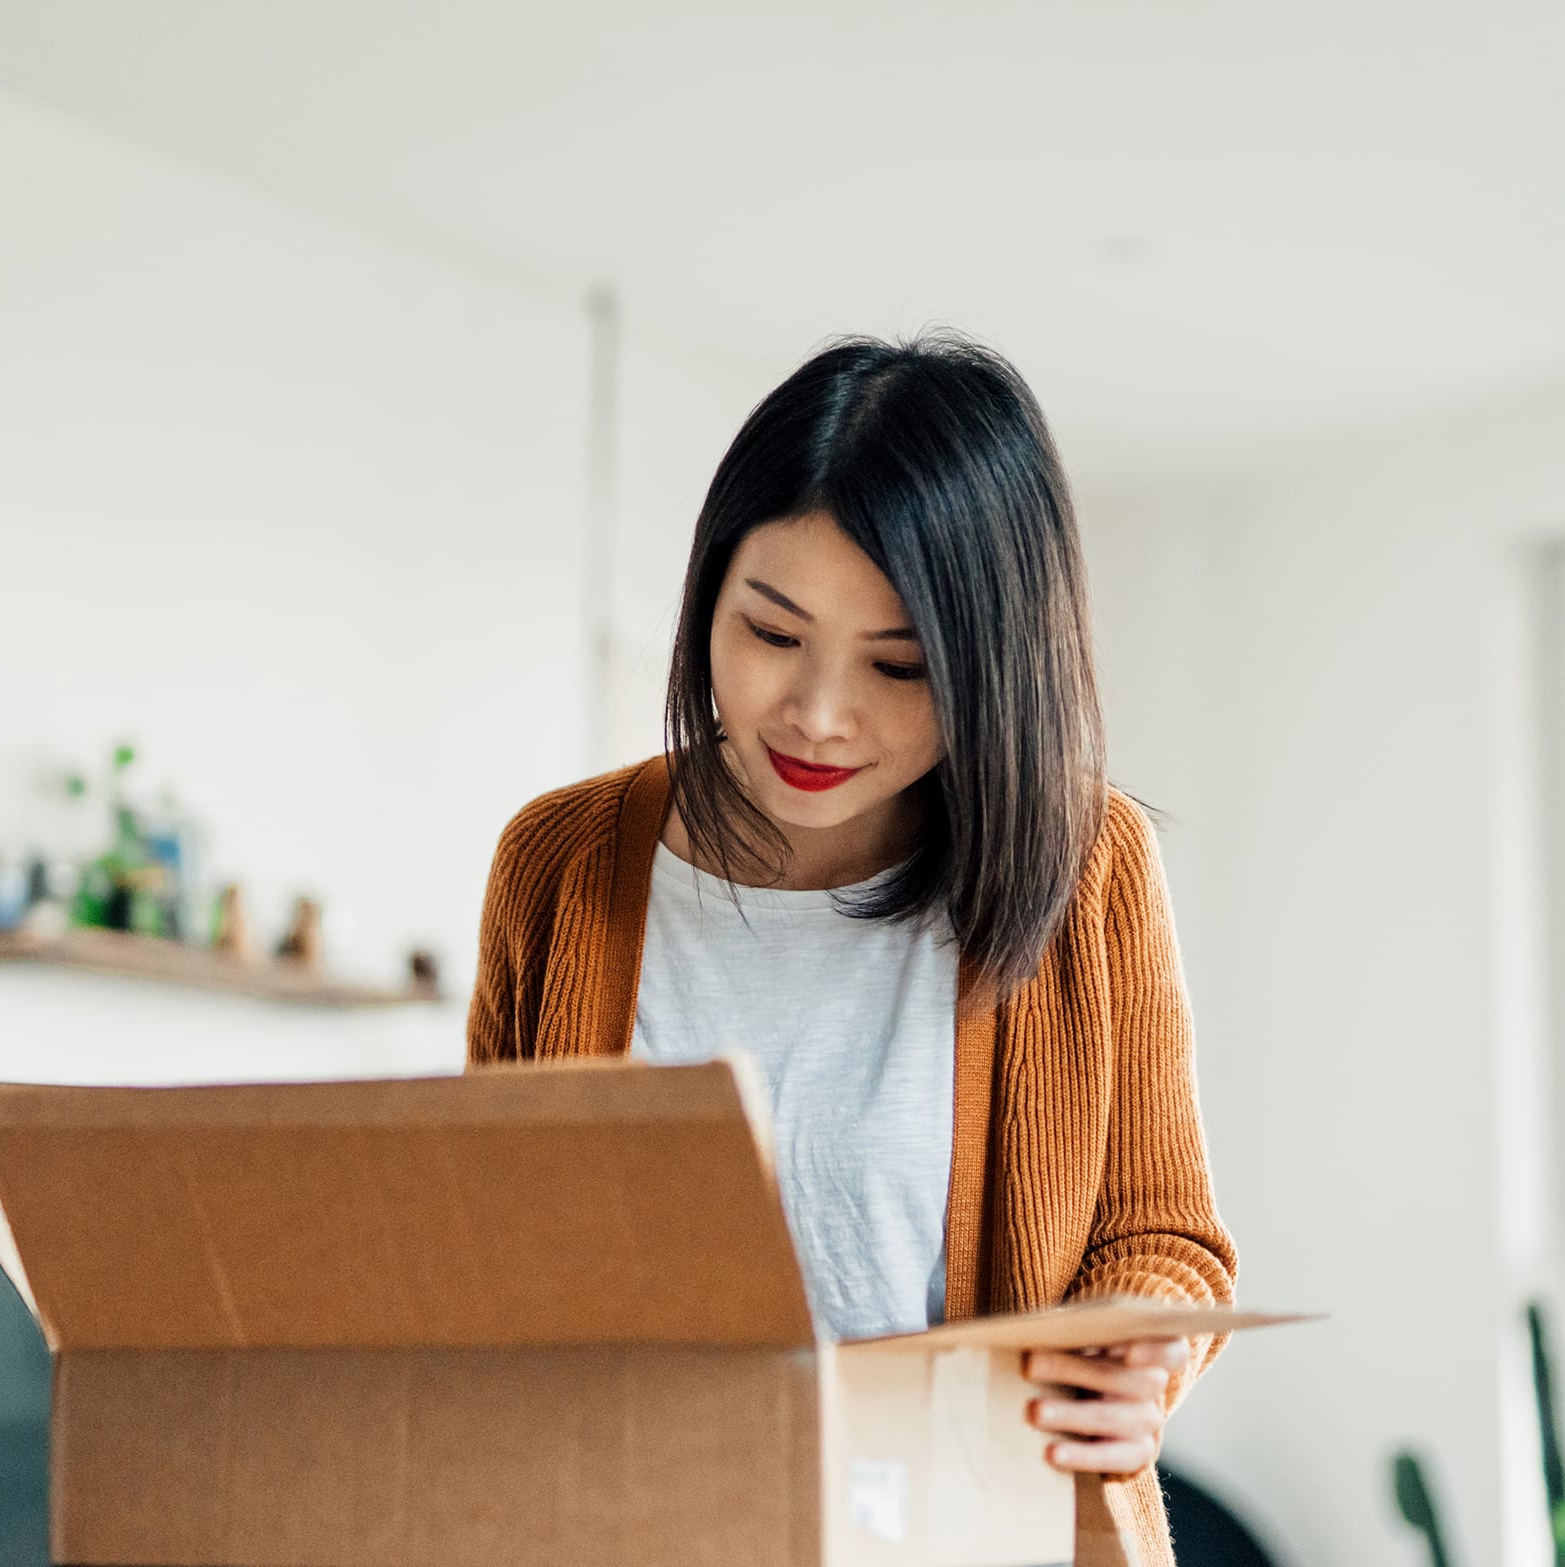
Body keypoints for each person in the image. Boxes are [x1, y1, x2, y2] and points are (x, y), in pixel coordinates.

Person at [465, 333, 1236, 1567]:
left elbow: (1169, 1238)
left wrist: (1135, 1349)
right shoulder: (558, 866)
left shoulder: (1087, 870)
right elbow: (483, 1239)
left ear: (996, 669)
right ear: (707, 596)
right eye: (771, 635)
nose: (820, 714)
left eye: (902, 664)